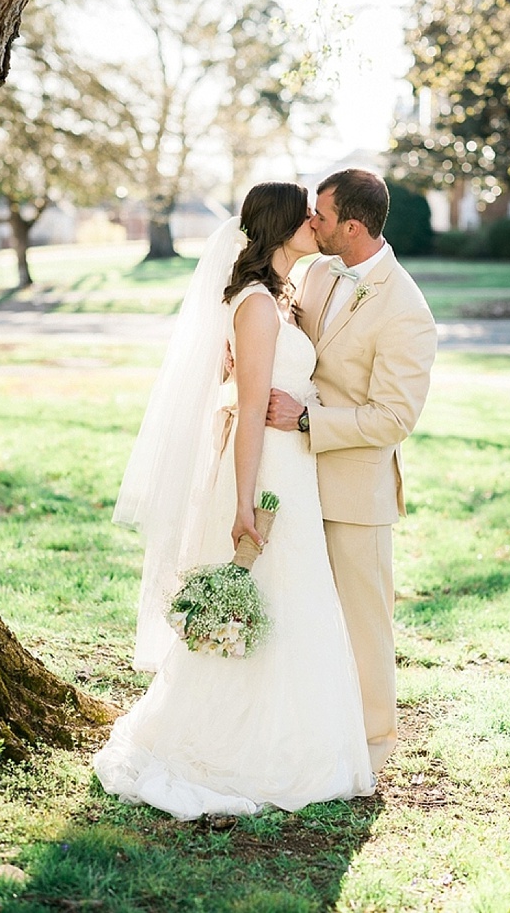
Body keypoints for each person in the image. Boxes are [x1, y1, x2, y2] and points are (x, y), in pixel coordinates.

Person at [93, 182, 375, 820]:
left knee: (295, 598)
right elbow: (250, 410)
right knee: (272, 590)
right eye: (303, 212)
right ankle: (234, 746)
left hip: (294, 469)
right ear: (278, 226)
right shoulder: (254, 305)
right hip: (267, 472)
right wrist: (243, 505)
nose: (313, 221)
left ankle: (300, 739)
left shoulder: (280, 298)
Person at [266, 168, 437, 772]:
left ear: (354, 227)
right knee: (304, 611)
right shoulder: (316, 271)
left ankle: (372, 747)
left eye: (321, 215)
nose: (310, 222)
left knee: (364, 622)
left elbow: (393, 417)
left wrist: (306, 420)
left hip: (355, 489)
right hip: (293, 478)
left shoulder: (405, 309)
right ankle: (313, 727)